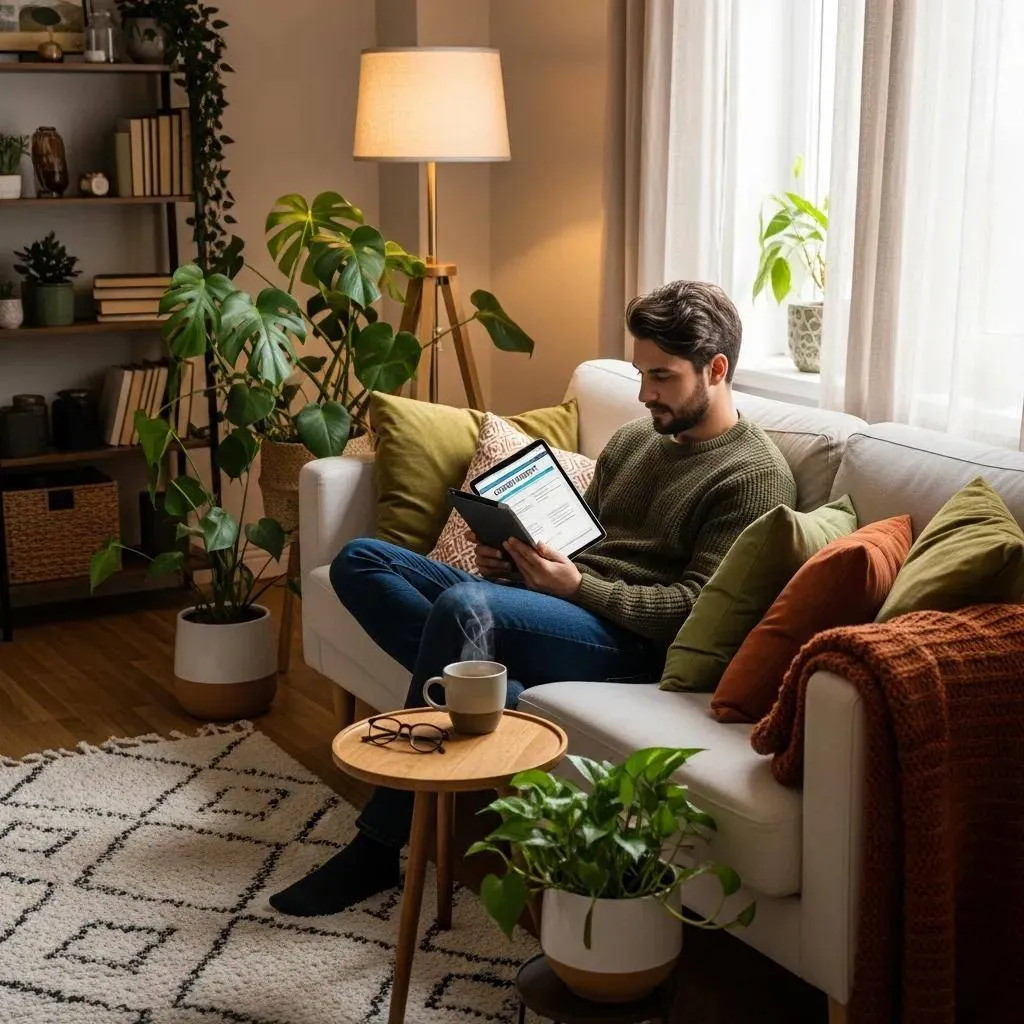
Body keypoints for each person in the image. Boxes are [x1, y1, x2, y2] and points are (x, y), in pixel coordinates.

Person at [270, 280, 796, 917]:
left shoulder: (754, 476)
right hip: (565, 603)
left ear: (717, 369)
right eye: (639, 374)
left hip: (631, 642)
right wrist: (521, 563)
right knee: (362, 561)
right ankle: (501, 694)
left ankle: (378, 845)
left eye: (662, 377)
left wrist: (575, 587)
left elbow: (690, 610)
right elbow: (589, 541)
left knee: (466, 607)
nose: (644, 394)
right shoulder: (635, 441)